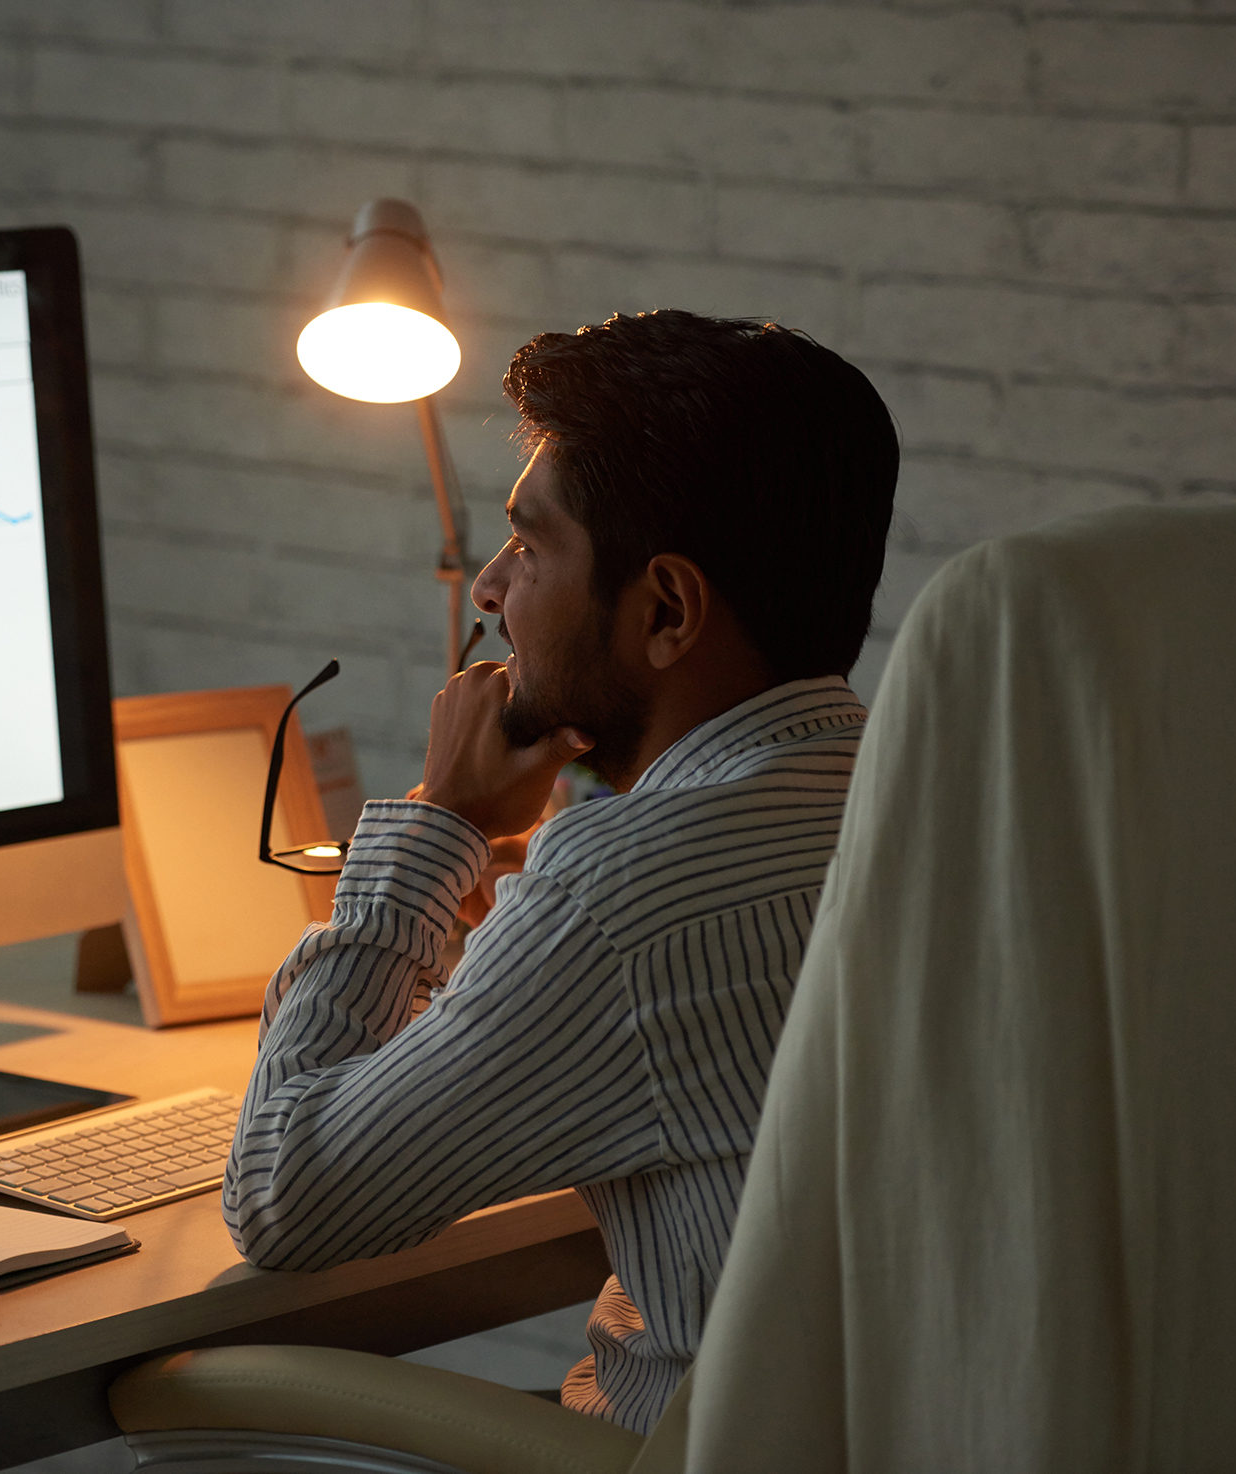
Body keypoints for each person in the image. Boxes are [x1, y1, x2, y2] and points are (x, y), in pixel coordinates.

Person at [220, 309, 898, 1432]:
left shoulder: (621, 899)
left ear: (666, 609)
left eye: (531, 547)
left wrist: (439, 824)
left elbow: (284, 1195)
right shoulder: (943, 796)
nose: (489, 589)